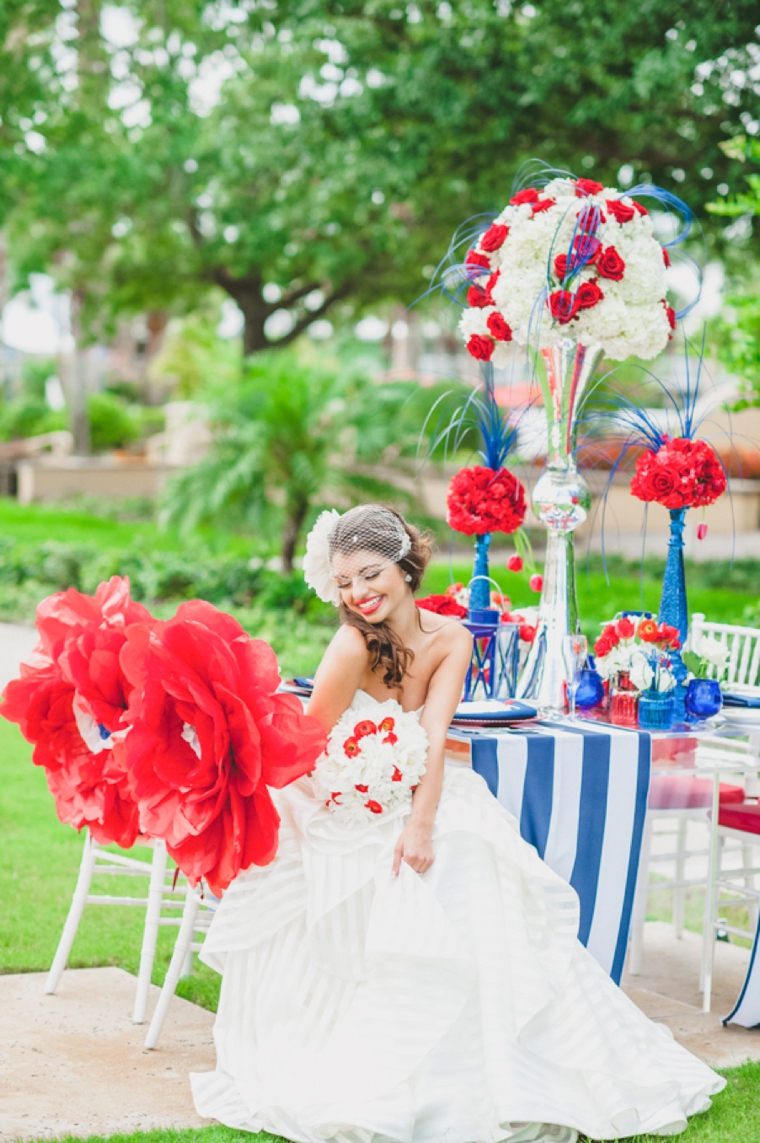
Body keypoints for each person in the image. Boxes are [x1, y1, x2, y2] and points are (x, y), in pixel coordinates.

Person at [191, 504, 723, 1143]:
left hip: (420, 787)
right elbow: (304, 747)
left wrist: (419, 824)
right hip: (334, 797)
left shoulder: (452, 638)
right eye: (345, 583)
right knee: (400, 884)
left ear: (405, 565)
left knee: (466, 857)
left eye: (370, 574)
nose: (359, 594)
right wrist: (354, 801)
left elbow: (435, 739)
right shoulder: (351, 643)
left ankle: (496, 1067)